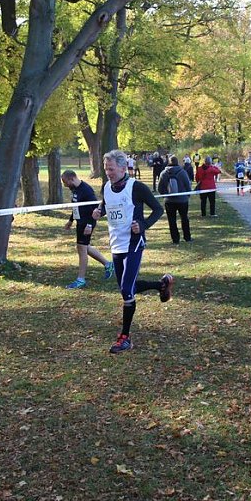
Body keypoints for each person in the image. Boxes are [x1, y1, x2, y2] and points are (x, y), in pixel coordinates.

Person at [92, 150, 172, 354]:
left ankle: (125, 337)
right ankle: (161, 285)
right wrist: (99, 211)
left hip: (134, 243)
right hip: (116, 243)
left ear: (122, 167)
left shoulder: (136, 187)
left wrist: (143, 225)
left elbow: (158, 209)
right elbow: (106, 204)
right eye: (106, 168)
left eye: (111, 169)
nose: (108, 172)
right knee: (127, 288)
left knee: (127, 291)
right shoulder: (106, 186)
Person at [61, 170, 114, 289]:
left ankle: (81, 279)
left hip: (86, 223)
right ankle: (108, 264)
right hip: (80, 222)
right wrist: (71, 220)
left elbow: (96, 210)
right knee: (84, 247)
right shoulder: (74, 189)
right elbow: (76, 207)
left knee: (82, 249)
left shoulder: (86, 190)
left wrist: (90, 225)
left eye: (65, 182)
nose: (64, 185)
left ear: (72, 178)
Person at [158, 156, 192, 244]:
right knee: (184, 218)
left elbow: (160, 188)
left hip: (169, 201)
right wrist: (187, 195)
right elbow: (188, 185)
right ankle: (187, 237)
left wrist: (165, 195)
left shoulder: (163, 173)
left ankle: (175, 239)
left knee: (171, 220)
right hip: (183, 200)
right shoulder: (182, 172)